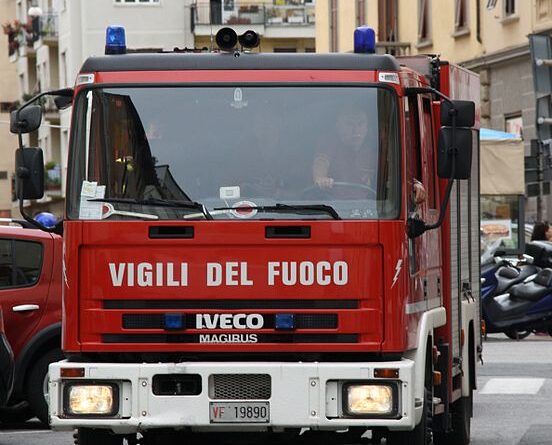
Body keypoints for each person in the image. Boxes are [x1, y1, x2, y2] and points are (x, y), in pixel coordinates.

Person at [312, 104, 426, 203]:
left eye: (361, 124)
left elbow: (395, 171)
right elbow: (321, 161)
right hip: (334, 205)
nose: (356, 130)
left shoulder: (375, 147)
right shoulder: (329, 142)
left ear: (367, 127)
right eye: (349, 124)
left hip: (369, 208)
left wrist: (414, 185)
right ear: (338, 126)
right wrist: (321, 178)